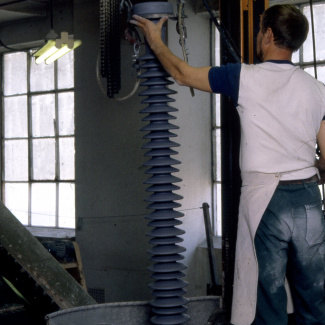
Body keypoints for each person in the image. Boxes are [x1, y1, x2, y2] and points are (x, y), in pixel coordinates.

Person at [131, 4, 325, 325]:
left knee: (269, 292)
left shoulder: (242, 77)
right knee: (313, 295)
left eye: (260, 28)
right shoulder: (318, 90)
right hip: (307, 200)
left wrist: (155, 40)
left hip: (268, 201)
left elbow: (181, 74)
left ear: (269, 35)